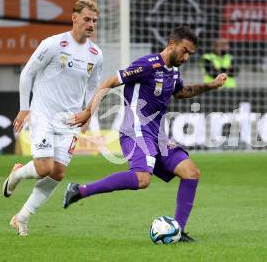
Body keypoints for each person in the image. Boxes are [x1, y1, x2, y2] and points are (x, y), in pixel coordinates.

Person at [62, 26, 227, 242]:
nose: (186, 57)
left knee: (191, 172)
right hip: (136, 131)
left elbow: (181, 92)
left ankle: (178, 230)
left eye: (190, 54)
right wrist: (88, 112)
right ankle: (79, 190)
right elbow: (110, 82)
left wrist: (211, 85)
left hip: (158, 136)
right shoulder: (147, 65)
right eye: (184, 51)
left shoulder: (174, 70)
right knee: (142, 179)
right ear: (172, 44)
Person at [2, 0, 103, 236]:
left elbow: (93, 87)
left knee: (57, 172)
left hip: (69, 121)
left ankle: (22, 218)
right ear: (74, 17)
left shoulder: (96, 54)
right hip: (43, 114)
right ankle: (17, 174)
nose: (91, 25)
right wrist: (24, 108)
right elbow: (28, 73)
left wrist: (89, 113)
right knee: (44, 167)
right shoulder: (54, 44)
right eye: (87, 19)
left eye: (94, 21)